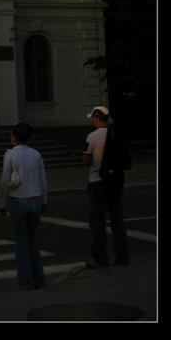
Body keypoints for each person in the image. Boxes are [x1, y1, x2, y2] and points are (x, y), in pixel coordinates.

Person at [0, 122, 48, 290]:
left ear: (15, 137)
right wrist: (44, 200)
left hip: (18, 201)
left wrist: (1, 203)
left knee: (21, 242)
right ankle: (39, 279)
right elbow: (42, 179)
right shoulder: (36, 154)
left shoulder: (11, 154)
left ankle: (26, 282)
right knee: (33, 241)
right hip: (35, 201)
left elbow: (5, 180)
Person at [82, 105, 130, 268]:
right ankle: (122, 256)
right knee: (117, 219)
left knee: (97, 221)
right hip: (116, 181)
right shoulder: (116, 134)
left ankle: (99, 257)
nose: (92, 121)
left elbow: (86, 160)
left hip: (97, 182)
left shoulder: (93, 136)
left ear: (96, 118)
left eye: (92, 118)